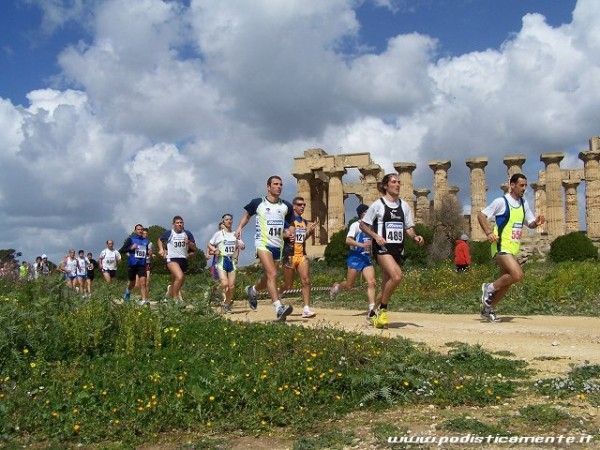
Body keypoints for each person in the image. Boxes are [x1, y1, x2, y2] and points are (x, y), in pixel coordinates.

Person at [477, 173, 545, 322]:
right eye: (521, 185)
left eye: (526, 185)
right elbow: (481, 215)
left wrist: (537, 222)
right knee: (517, 275)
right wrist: (489, 232)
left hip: (513, 248)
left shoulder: (523, 203)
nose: (524, 188)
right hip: (500, 245)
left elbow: (530, 223)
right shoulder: (501, 201)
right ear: (512, 185)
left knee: (507, 282)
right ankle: (488, 288)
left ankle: (488, 309)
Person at [360, 173, 425, 328]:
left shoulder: (404, 206)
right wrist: (375, 236)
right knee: (397, 276)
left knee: (386, 285)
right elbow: (363, 225)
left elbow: (408, 227)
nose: (397, 185)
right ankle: (383, 310)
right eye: (394, 182)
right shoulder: (378, 204)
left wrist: (415, 237)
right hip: (382, 248)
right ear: (385, 186)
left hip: (397, 249)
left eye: (399, 182)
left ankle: (372, 312)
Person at [235, 175, 294, 321]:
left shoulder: (286, 206)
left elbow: (290, 223)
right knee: (273, 274)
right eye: (275, 184)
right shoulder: (258, 203)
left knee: (268, 276)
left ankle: (252, 289)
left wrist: (290, 232)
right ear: (268, 187)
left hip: (278, 245)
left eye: (280, 184)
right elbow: (247, 215)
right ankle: (279, 307)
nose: (279, 186)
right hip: (262, 243)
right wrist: (240, 227)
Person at [330, 204, 377, 321]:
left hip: (366, 258)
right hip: (355, 257)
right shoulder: (355, 225)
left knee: (372, 282)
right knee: (349, 286)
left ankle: (372, 309)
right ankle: (337, 286)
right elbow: (348, 240)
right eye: (367, 212)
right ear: (362, 214)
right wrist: (361, 245)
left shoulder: (371, 227)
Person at [280, 197, 318, 318]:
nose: (302, 207)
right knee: (288, 285)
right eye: (299, 204)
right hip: (289, 255)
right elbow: (280, 233)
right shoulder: (287, 220)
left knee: (306, 281)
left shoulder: (305, 222)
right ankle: (276, 296)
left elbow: (301, 239)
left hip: (302, 255)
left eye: (304, 205)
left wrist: (310, 231)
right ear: (294, 206)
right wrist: (286, 235)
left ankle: (306, 308)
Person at [208, 214, 245, 313]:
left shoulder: (234, 234)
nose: (228, 221)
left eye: (230, 219)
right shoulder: (218, 234)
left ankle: (227, 303)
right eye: (226, 219)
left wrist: (238, 241)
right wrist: (214, 249)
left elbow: (242, 246)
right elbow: (210, 244)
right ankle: (219, 296)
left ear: (232, 221)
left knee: (232, 286)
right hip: (221, 260)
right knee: (225, 284)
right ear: (223, 221)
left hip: (231, 261)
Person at [158, 216, 196, 302]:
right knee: (180, 276)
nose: (179, 224)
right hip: (172, 258)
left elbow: (194, 248)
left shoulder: (187, 233)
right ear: (173, 224)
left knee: (179, 280)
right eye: (177, 223)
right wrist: (161, 249)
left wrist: (189, 243)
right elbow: (160, 240)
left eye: (181, 223)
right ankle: (175, 299)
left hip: (183, 259)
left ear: (183, 224)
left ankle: (170, 292)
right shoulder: (169, 233)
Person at [121, 224, 150, 305]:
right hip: (132, 264)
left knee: (143, 282)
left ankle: (144, 300)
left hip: (142, 264)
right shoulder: (130, 239)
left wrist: (148, 253)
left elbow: (145, 252)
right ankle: (127, 292)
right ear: (135, 231)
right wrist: (130, 248)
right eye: (138, 229)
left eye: (141, 229)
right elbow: (122, 250)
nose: (140, 231)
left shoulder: (146, 241)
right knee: (132, 283)